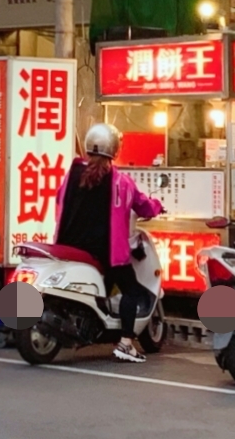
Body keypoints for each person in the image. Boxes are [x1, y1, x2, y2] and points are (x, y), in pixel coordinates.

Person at [54, 123, 164, 363]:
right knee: (131, 290)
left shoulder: (72, 175)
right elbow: (144, 206)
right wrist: (158, 206)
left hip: (70, 248)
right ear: (114, 149)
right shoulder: (121, 182)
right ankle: (126, 342)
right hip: (105, 252)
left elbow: (58, 199)